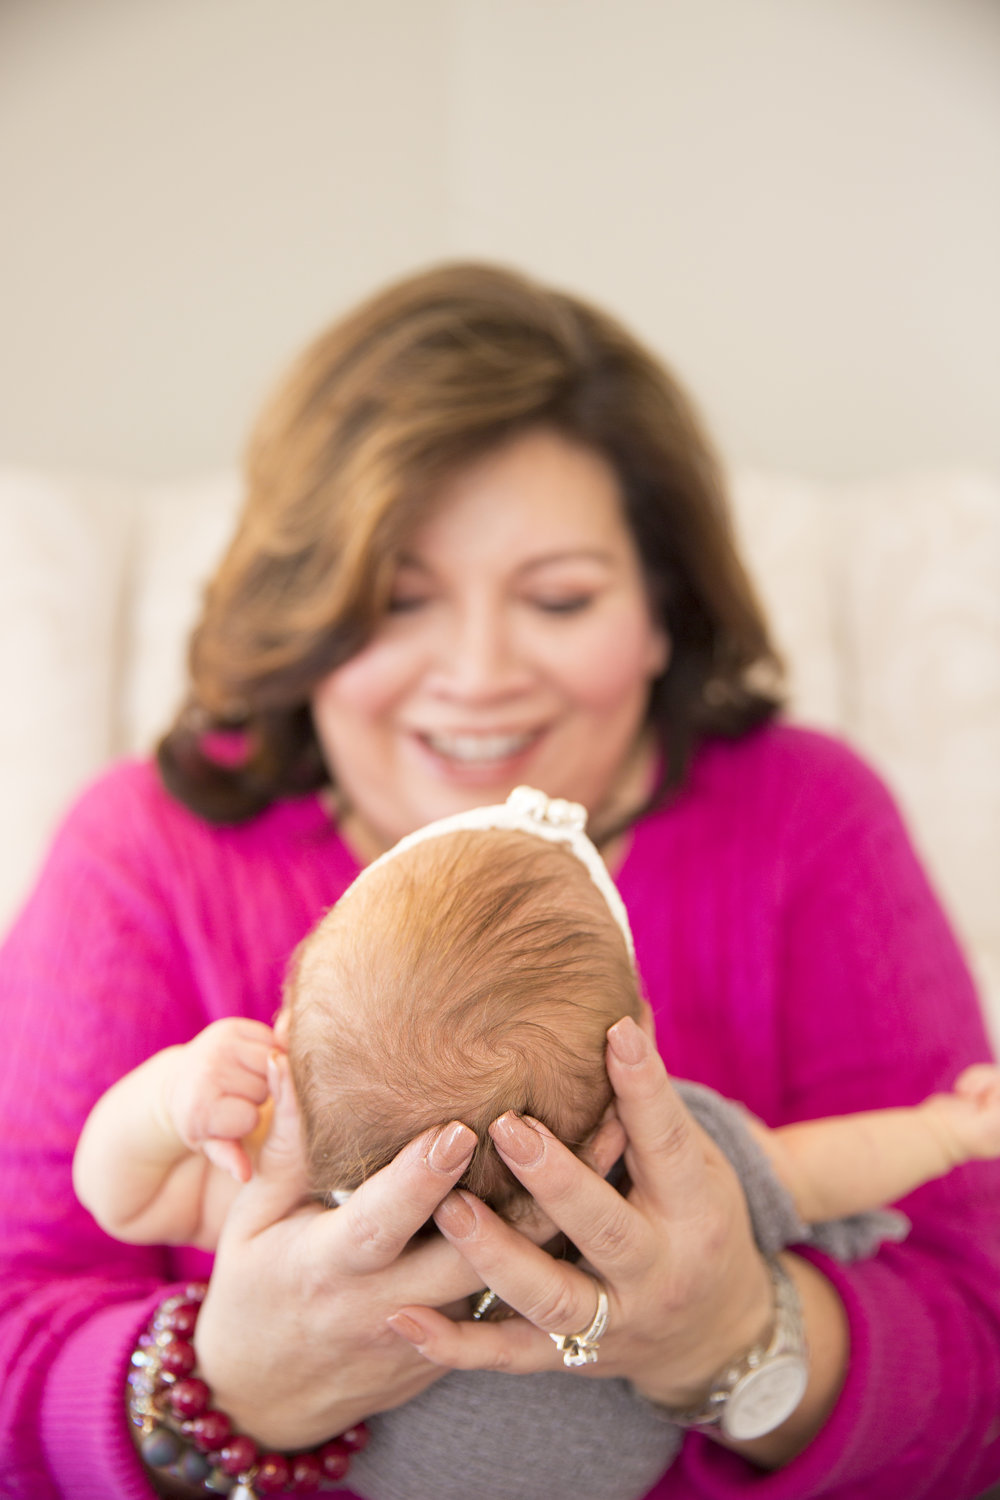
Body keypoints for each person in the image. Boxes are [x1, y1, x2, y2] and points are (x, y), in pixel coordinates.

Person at [1, 260, 999, 1500]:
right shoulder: (146, 852)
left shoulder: (806, 820)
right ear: (305, 622)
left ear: (661, 614)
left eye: (560, 597)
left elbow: (977, 1336)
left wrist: (732, 1339)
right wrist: (232, 1386)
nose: (475, 672)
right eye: (398, 602)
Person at [73, 788, 1000, 1261]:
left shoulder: (307, 1198)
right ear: (636, 1043)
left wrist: (168, 1103)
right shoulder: (666, 1167)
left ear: (291, 1040)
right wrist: (945, 1131)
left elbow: (121, 1198)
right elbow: (813, 1174)